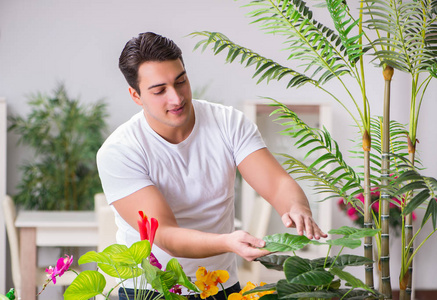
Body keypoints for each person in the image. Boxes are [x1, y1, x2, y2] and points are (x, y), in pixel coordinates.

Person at [96, 32, 327, 300]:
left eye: (180, 81)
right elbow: (166, 235)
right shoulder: (120, 150)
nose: (176, 98)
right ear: (136, 96)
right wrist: (228, 242)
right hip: (150, 290)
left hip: (220, 285)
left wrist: (297, 207)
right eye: (159, 90)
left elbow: (277, 184)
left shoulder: (228, 123)